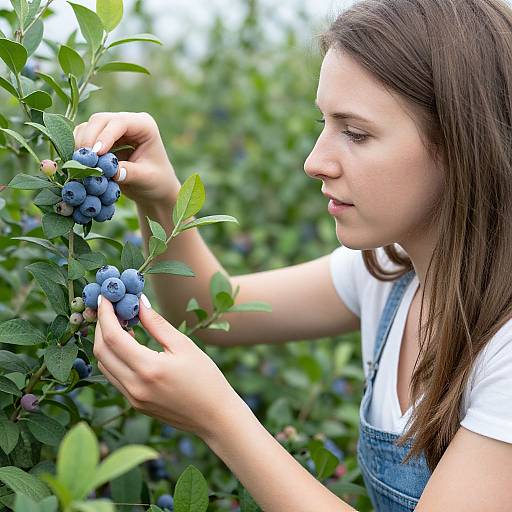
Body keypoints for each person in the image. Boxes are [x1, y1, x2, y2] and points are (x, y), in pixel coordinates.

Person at [75, 0, 512, 510]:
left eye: (355, 132)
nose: (314, 161)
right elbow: (217, 313)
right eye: (324, 122)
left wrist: (219, 418)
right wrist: (162, 198)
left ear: (463, 143)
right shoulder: (390, 271)